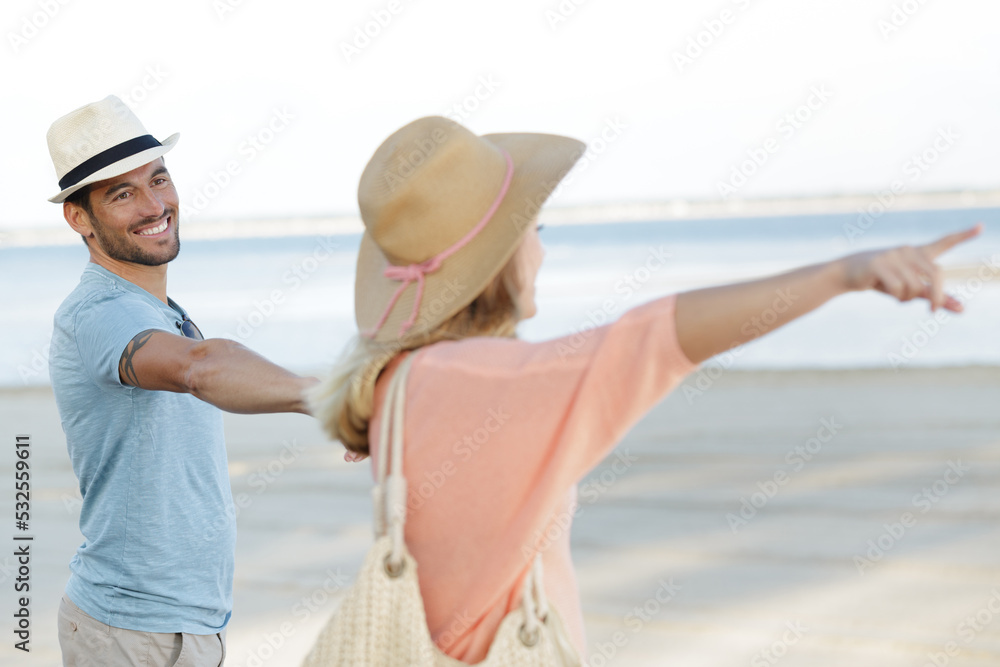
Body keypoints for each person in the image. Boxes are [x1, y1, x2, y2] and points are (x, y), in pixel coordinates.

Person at [310, 115, 983, 664]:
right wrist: (843, 274)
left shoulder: (398, 381)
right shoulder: (485, 383)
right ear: (500, 257)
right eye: (535, 230)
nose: (542, 250)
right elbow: (658, 337)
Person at [46, 95, 319, 666]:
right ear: (79, 218)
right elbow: (201, 368)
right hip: (133, 632)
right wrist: (325, 398)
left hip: (178, 626)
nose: (155, 205)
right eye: (122, 194)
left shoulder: (156, 308)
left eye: (159, 179)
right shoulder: (99, 313)